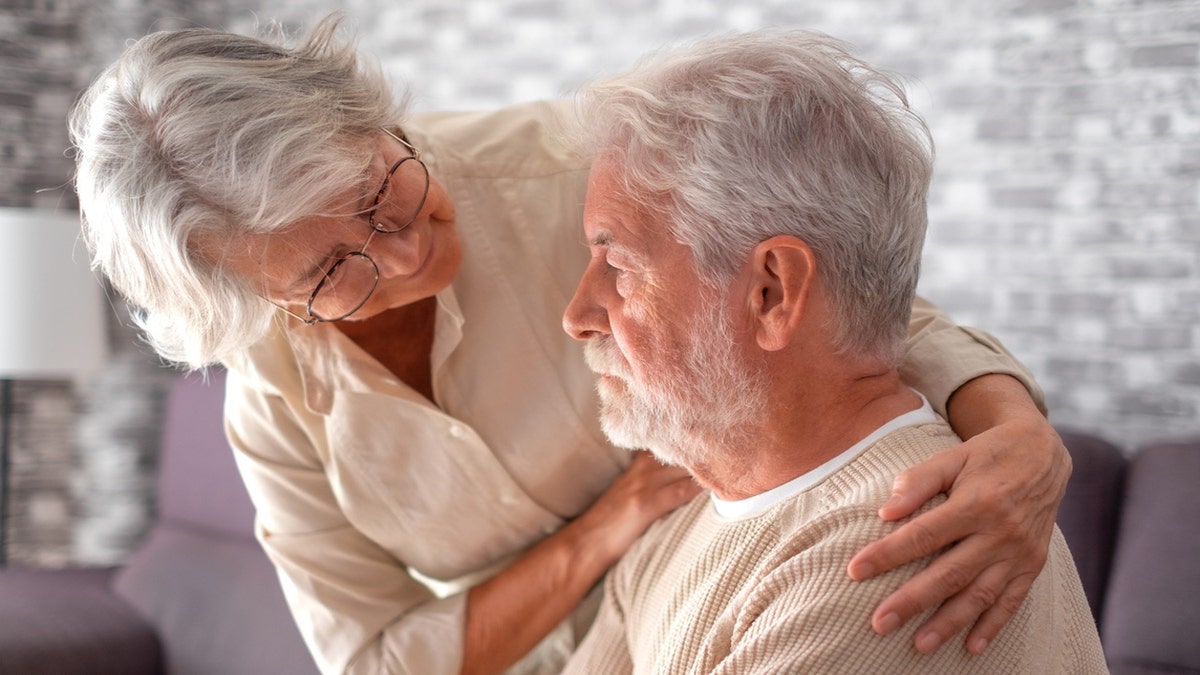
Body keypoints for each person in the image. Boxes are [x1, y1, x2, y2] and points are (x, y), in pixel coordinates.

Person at [68, 15, 1072, 675]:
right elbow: (372, 660)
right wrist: (609, 528)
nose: (408, 248)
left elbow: (835, 295)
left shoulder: (575, 170)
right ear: (269, 305)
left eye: (383, 192)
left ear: (371, 118)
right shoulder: (275, 400)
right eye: (333, 272)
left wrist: (1017, 435)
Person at [558, 30, 1105, 674]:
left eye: (618, 266)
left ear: (773, 292)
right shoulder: (680, 522)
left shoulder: (897, 551)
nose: (577, 317)